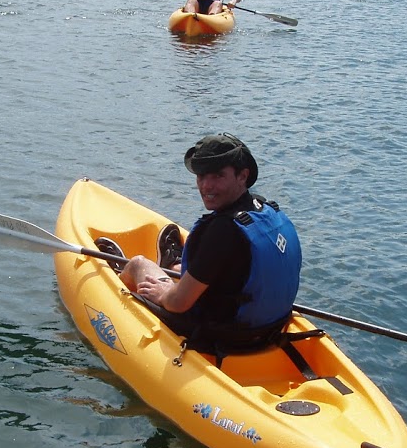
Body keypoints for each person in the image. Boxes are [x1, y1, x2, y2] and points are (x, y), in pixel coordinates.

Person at [112, 134, 302, 352]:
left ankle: (116, 280)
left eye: (218, 176)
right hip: (270, 330)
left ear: (243, 175)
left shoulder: (223, 230)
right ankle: (174, 264)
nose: (206, 186)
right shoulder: (267, 211)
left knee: (137, 264)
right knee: (185, 271)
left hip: (222, 336)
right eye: (201, 176)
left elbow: (178, 304)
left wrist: (164, 293)